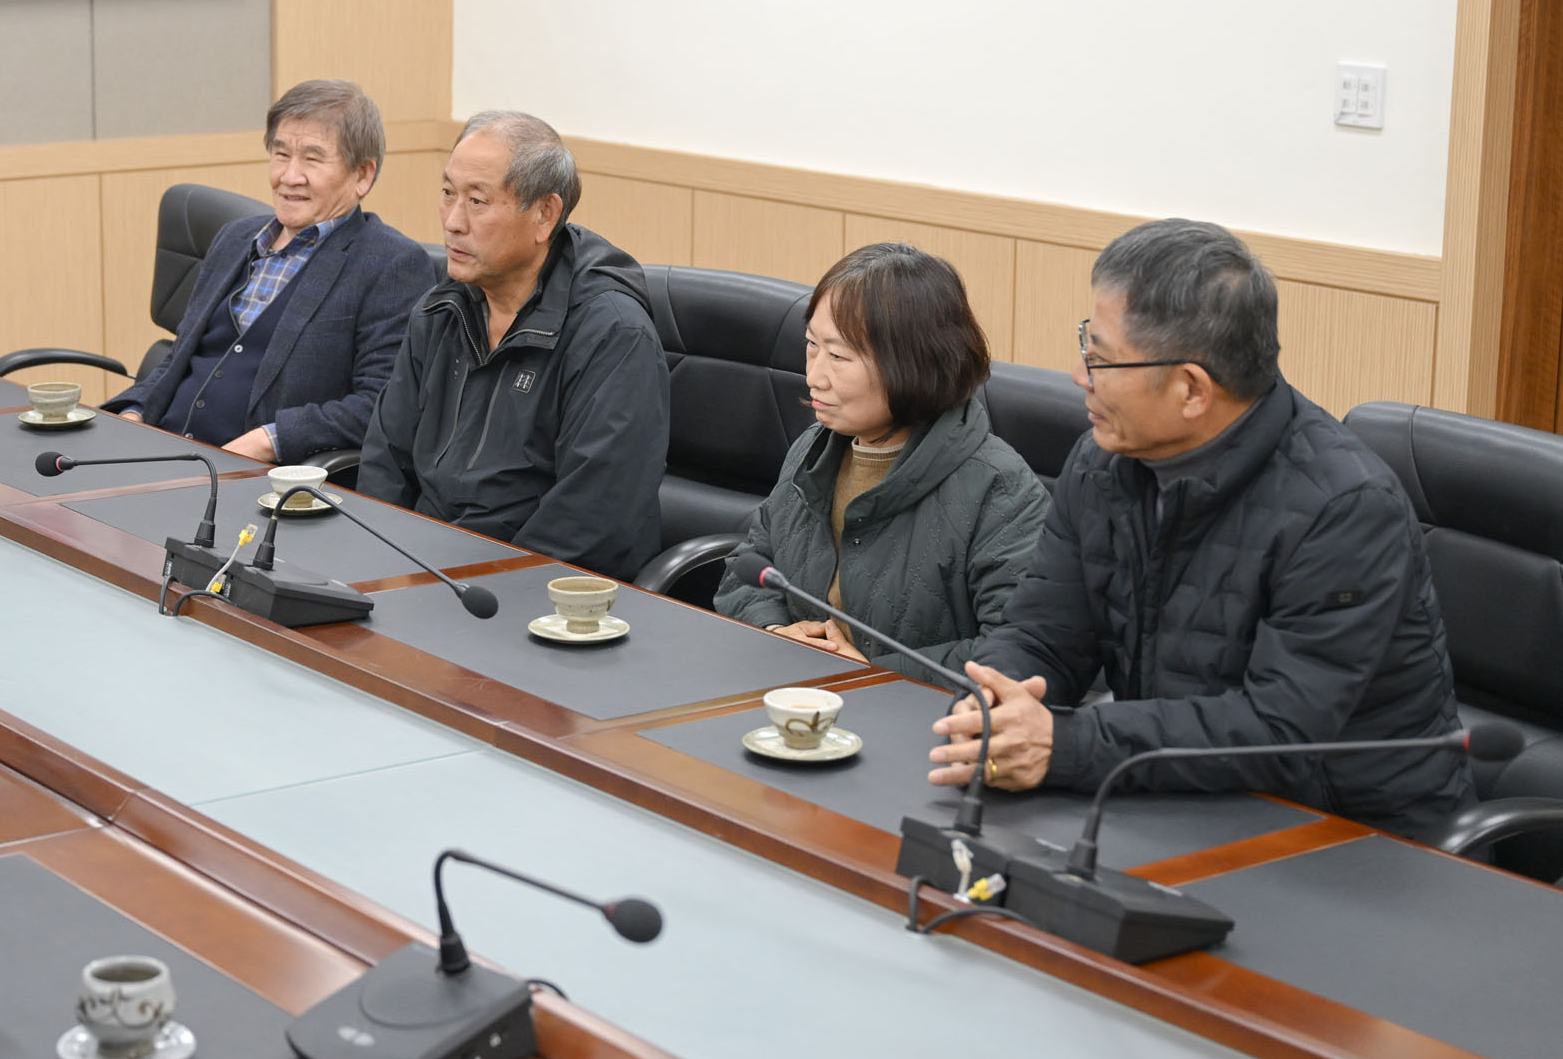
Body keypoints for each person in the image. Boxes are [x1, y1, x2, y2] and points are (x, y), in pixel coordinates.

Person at [928, 219, 1473, 837]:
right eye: (1087, 344)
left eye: (1100, 358)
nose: (1080, 374)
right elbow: (1044, 632)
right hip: (1176, 795)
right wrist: (994, 701)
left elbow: (1279, 730)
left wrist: (1069, 743)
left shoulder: (1345, 509)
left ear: (1191, 389)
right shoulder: (1102, 463)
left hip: (1354, 834)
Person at [357, 110, 669, 580]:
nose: (453, 222)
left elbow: (593, 519)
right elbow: (385, 458)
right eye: (448, 194)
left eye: (477, 201)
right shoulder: (442, 308)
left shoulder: (613, 334)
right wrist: (381, 562)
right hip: (423, 567)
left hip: (535, 588)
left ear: (545, 215)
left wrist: (470, 585)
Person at [714, 243, 1048, 674]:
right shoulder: (814, 449)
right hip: (797, 695)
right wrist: (777, 631)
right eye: (812, 345)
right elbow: (746, 572)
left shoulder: (1000, 488)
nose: (814, 376)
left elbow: (1020, 652)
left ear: (914, 364)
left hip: (918, 713)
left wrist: (879, 675)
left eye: (838, 356)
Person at [104, 79, 435, 464]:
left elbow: (380, 403)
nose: (289, 176)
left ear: (363, 175)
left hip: (252, 476)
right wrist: (134, 412)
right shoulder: (234, 238)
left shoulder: (392, 264)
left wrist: (270, 440)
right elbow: (181, 354)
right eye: (281, 154)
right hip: (161, 450)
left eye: (312, 159)